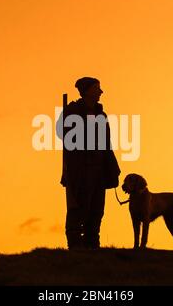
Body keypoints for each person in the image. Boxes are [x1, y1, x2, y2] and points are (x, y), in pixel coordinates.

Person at [56, 77, 121, 249]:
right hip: (79, 170)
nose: (101, 92)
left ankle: (93, 246)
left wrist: (111, 166)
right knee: (78, 208)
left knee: (96, 210)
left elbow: (107, 143)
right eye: (96, 88)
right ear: (86, 91)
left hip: (98, 169)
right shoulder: (72, 112)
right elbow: (63, 135)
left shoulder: (101, 115)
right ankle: (76, 247)